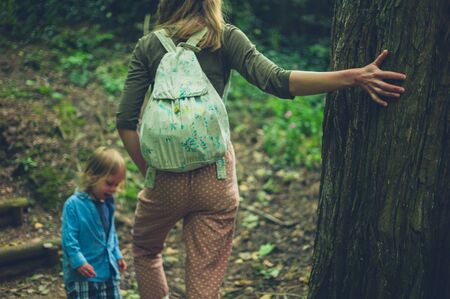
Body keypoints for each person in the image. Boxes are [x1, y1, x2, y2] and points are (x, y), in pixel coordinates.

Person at [116, 1, 406, 298]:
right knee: (205, 275)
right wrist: (353, 77)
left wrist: (153, 170)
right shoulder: (223, 37)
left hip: (165, 181)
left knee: (146, 249)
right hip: (214, 179)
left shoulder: (148, 46)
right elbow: (278, 81)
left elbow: (126, 122)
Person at [61, 146, 128, 299]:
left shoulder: (108, 203)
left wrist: (117, 254)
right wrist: (78, 261)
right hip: (83, 276)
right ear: (93, 177)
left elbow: (110, 234)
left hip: (108, 272)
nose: (113, 189)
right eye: (109, 183)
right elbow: (68, 239)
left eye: (116, 185)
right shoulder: (74, 205)